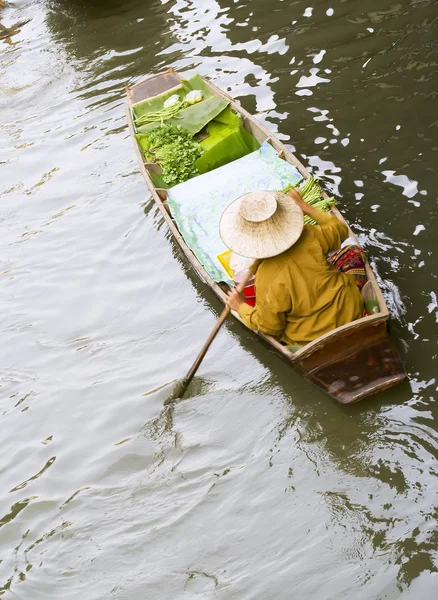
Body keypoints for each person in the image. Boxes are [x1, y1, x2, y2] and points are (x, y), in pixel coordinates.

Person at [220, 188, 365, 347]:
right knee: (351, 252)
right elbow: (340, 230)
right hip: (352, 311)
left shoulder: (266, 277)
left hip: (313, 338)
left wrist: (241, 307)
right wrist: (305, 207)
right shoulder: (310, 235)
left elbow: (270, 327)